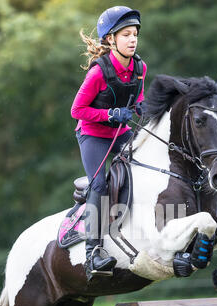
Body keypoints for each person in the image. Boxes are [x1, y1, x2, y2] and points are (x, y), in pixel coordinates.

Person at [71, 6, 147, 280]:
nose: (132, 39)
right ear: (110, 40)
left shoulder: (140, 67)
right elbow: (76, 111)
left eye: (135, 34)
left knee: (146, 165)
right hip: (92, 135)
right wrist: (110, 114)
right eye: (126, 34)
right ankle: (93, 252)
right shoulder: (98, 73)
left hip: (121, 133)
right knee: (99, 184)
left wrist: (141, 108)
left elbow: (137, 99)